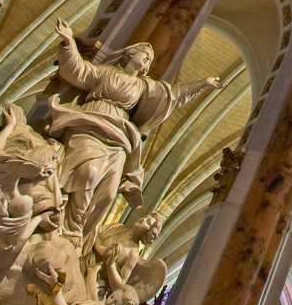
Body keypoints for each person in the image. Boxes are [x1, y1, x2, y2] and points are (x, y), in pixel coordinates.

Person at [42, 19, 221, 252]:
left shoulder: (144, 87)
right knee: (87, 173)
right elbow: (79, 70)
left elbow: (174, 96)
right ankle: (70, 228)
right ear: (129, 55)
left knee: (106, 193)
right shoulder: (106, 73)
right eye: (144, 54)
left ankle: (82, 233)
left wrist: (202, 84)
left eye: (149, 59)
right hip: (92, 122)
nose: (147, 59)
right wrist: (68, 41)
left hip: (119, 136)